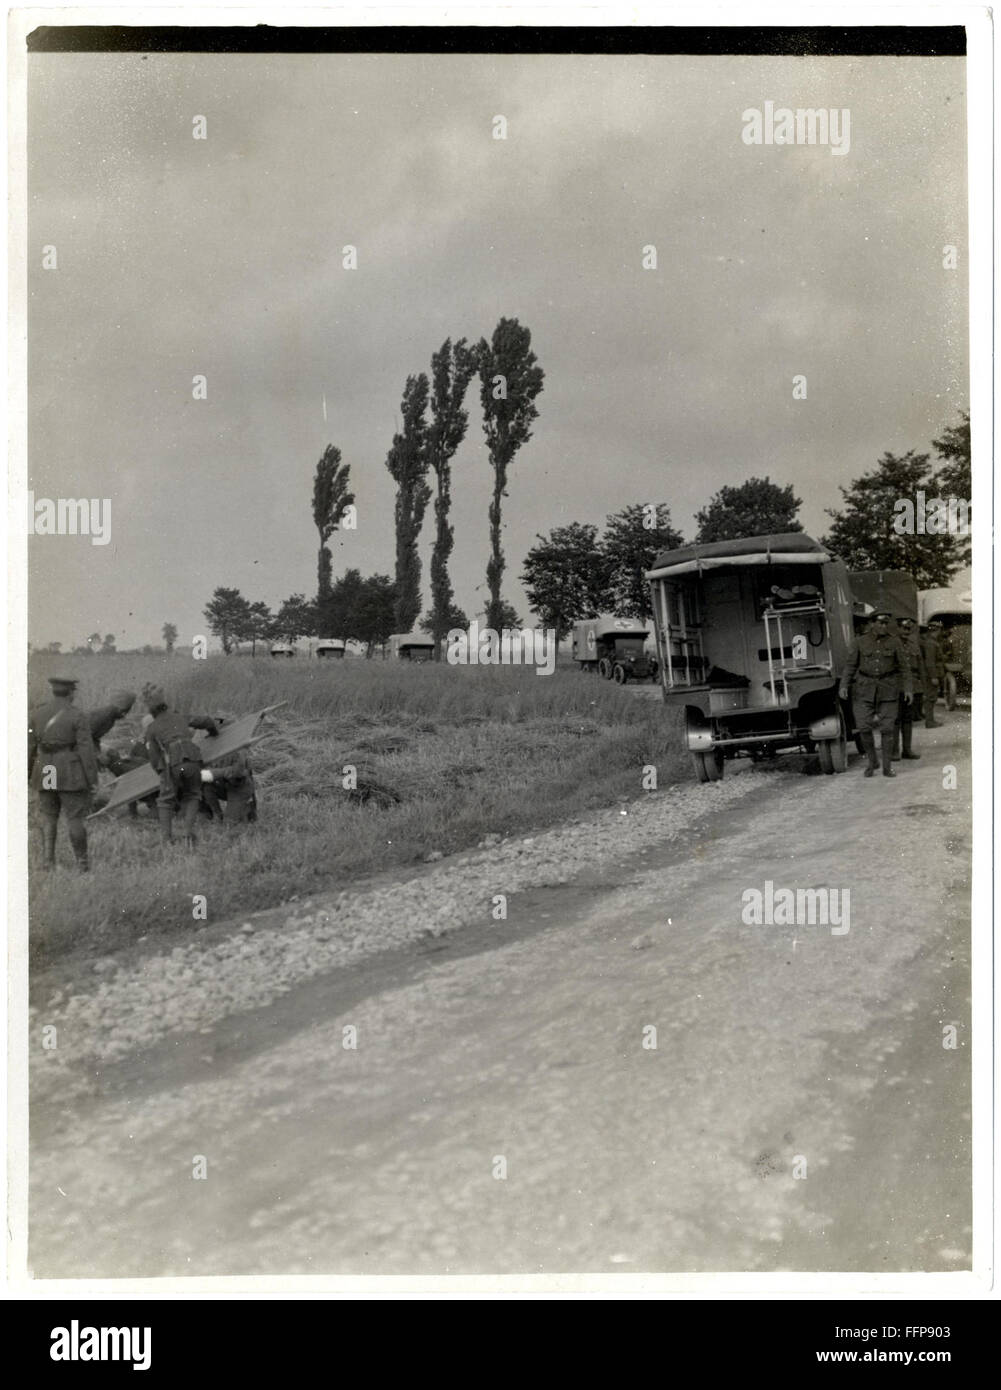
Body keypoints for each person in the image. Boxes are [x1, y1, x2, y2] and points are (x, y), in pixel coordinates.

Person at [28, 674, 99, 870]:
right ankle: (82, 863)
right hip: (69, 771)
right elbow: (86, 750)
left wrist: (27, 775)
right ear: (70, 693)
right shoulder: (77, 715)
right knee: (74, 817)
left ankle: (47, 861)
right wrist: (92, 779)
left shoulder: (37, 714)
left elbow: (29, 748)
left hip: (46, 769)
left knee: (49, 816)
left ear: (53, 690)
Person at [142, 684, 219, 847]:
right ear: (165, 705)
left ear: (151, 711)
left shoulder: (151, 728)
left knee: (165, 801)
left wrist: (161, 773)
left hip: (172, 763)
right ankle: (188, 833)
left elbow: (154, 757)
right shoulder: (180, 717)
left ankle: (166, 838)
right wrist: (213, 732)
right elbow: (206, 721)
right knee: (192, 795)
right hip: (192, 759)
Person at [839, 610, 913, 779]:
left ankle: (887, 767)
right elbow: (850, 665)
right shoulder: (860, 642)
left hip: (888, 689)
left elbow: (904, 667)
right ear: (872, 623)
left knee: (887, 729)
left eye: (886, 623)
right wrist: (843, 685)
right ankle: (872, 762)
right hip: (864, 690)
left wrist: (908, 689)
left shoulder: (895, 642)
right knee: (864, 728)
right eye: (879, 622)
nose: (883, 626)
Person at [891, 618, 923, 761]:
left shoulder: (913, 645)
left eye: (909, 629)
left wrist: (922, 685)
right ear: (897, 628)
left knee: (908, 718)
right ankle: (894, 751)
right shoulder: (891, 644)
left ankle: (907, 750)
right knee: (895, 719)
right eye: (903, 628)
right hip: (895, 686)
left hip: (911, 685)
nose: (906, 632)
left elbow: (920, 666)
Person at [921, 623, 945, 728]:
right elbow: (930, 662)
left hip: (934, 673)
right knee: (930, 698)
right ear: (937, 630)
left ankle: (930, 720)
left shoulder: (932, 642)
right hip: (932, 675)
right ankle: (929, 722)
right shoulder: (931, 643)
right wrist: (933, 676)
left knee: (932, 697)